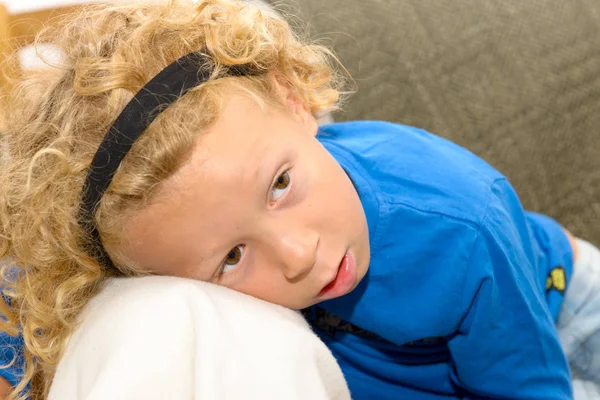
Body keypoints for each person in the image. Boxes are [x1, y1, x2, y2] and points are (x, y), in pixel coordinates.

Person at [0, 0, 599, 399]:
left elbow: (526, 386)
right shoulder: (188, 296)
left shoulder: (457, 224)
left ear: (292, 99)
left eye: (280, 185)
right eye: (231, 257)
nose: (297, 255)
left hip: (557, 305)